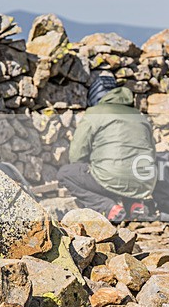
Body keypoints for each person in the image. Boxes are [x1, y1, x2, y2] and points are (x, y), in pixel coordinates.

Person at [58, 72, 157, 222]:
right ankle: (136, 205)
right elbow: (152, 153)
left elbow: (76, 155)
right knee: (122, 174)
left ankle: (108, 208)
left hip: (110, 178)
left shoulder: (95, 112)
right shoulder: (140, 115)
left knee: (66, 173)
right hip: (144, 181)